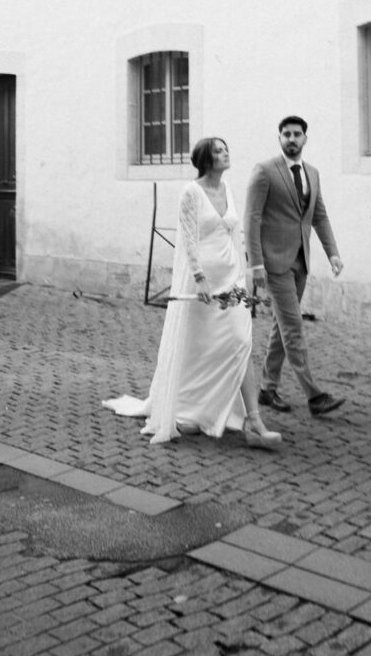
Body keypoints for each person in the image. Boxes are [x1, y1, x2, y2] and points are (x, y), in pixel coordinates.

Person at [103, 137, 281, 450]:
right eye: (219, 151)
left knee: (240, 343)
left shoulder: (228, 189)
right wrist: (198, 279)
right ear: (205, 159)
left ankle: (254, 421)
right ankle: (191, 407)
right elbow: (187, 239)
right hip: (204, 283)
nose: (226, 153)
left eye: (227, 149)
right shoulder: (192, 192)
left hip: (231, 279)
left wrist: (245, 273)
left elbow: (234, 235)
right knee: (200, 347)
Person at [244, 116, 345, 417]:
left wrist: (333, 254)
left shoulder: (312, 173)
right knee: (293, 327)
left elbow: (320, 216)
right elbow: (252, 218)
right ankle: (314, 396)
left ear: (305, 139)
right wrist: (256, 263)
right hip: (274, 263)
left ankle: (266, 388)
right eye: (286, 134)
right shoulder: (264, 171)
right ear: (279, 138)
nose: (291, 139)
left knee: (281, 325)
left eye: (297, 134)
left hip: (301, 260)